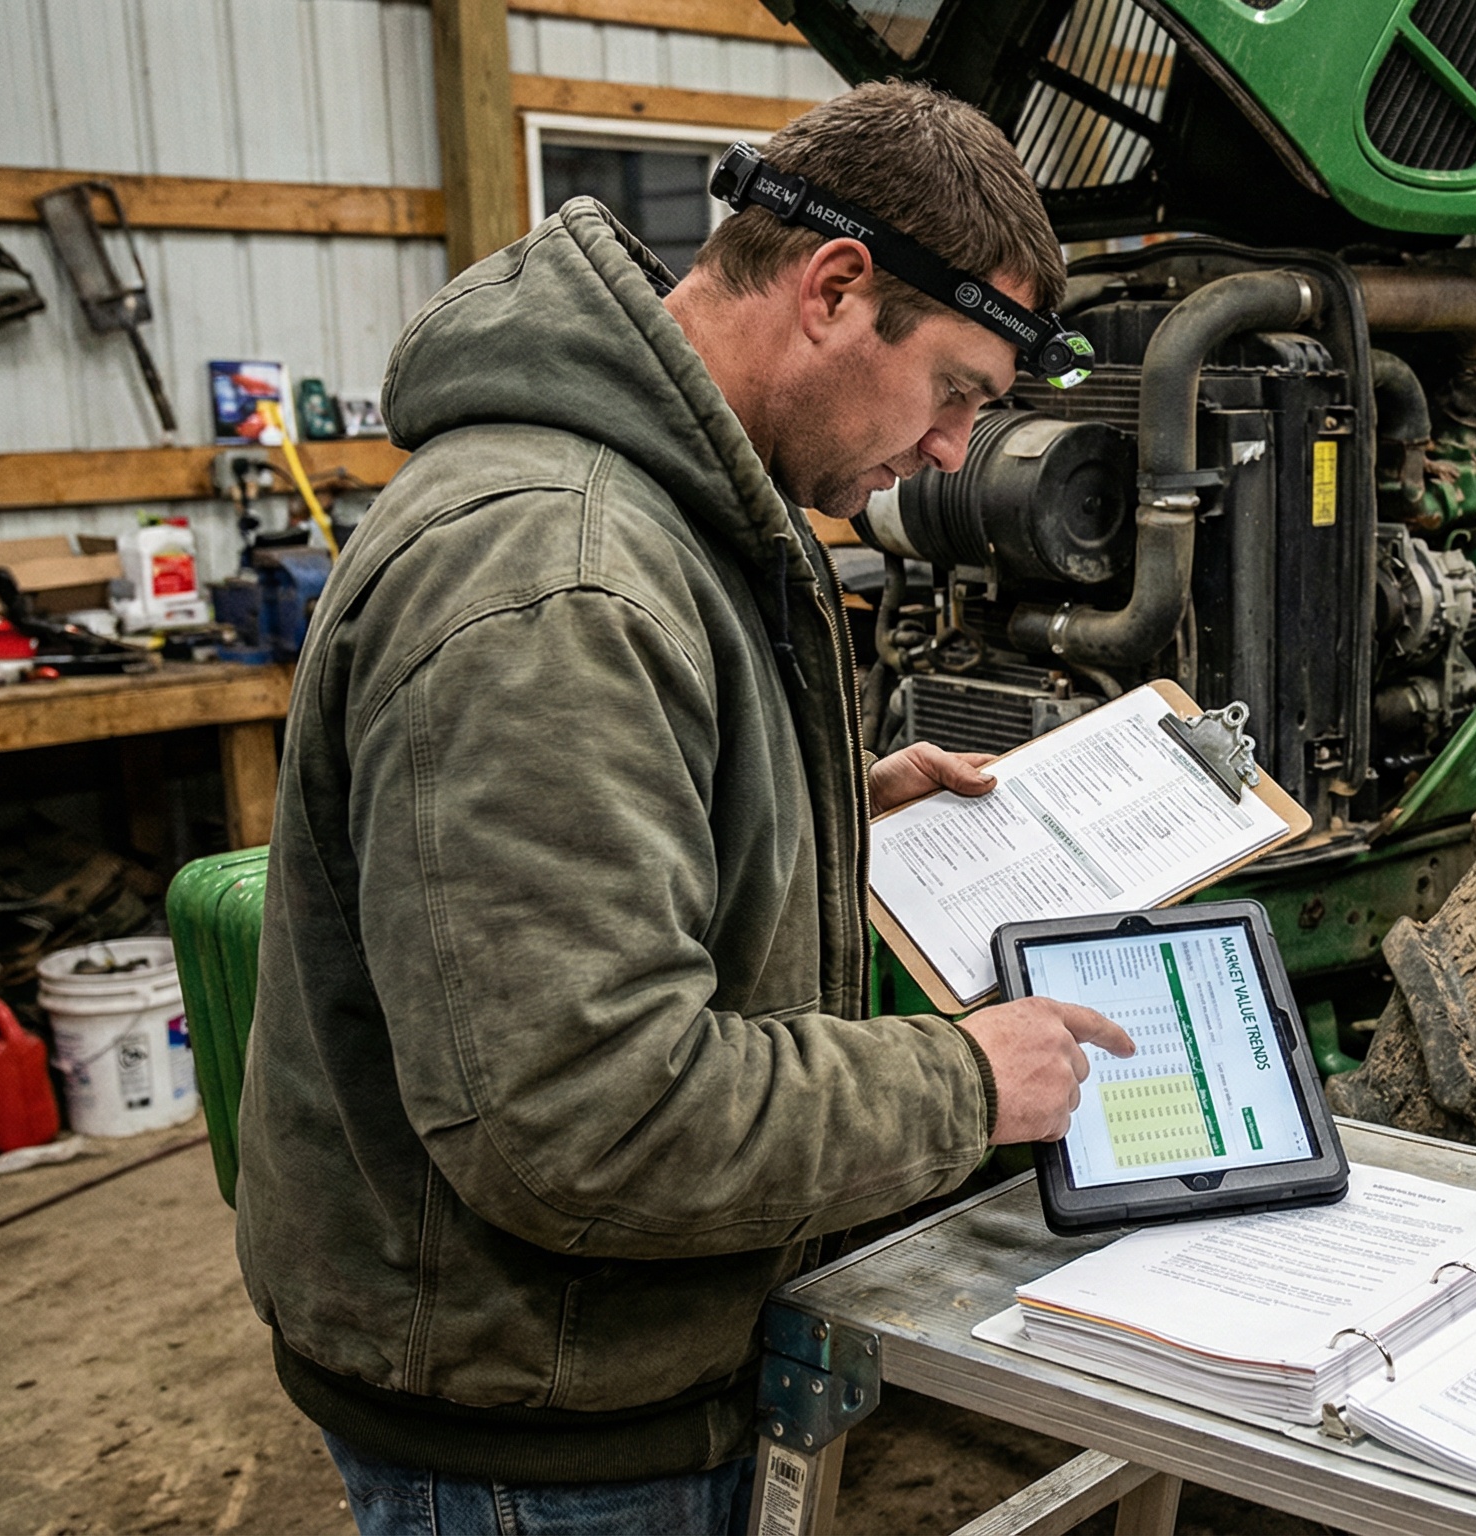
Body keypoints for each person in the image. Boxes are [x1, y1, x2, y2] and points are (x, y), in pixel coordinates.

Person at [234, 81, 1132, 1534]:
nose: (959, 451)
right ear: (837, 289)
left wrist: (826, 811)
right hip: (539, 1434)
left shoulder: (671, 508)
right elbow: (585, 1117)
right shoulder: (559, 579)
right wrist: (968, 1084)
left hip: (592, 1368)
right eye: (959, 390)